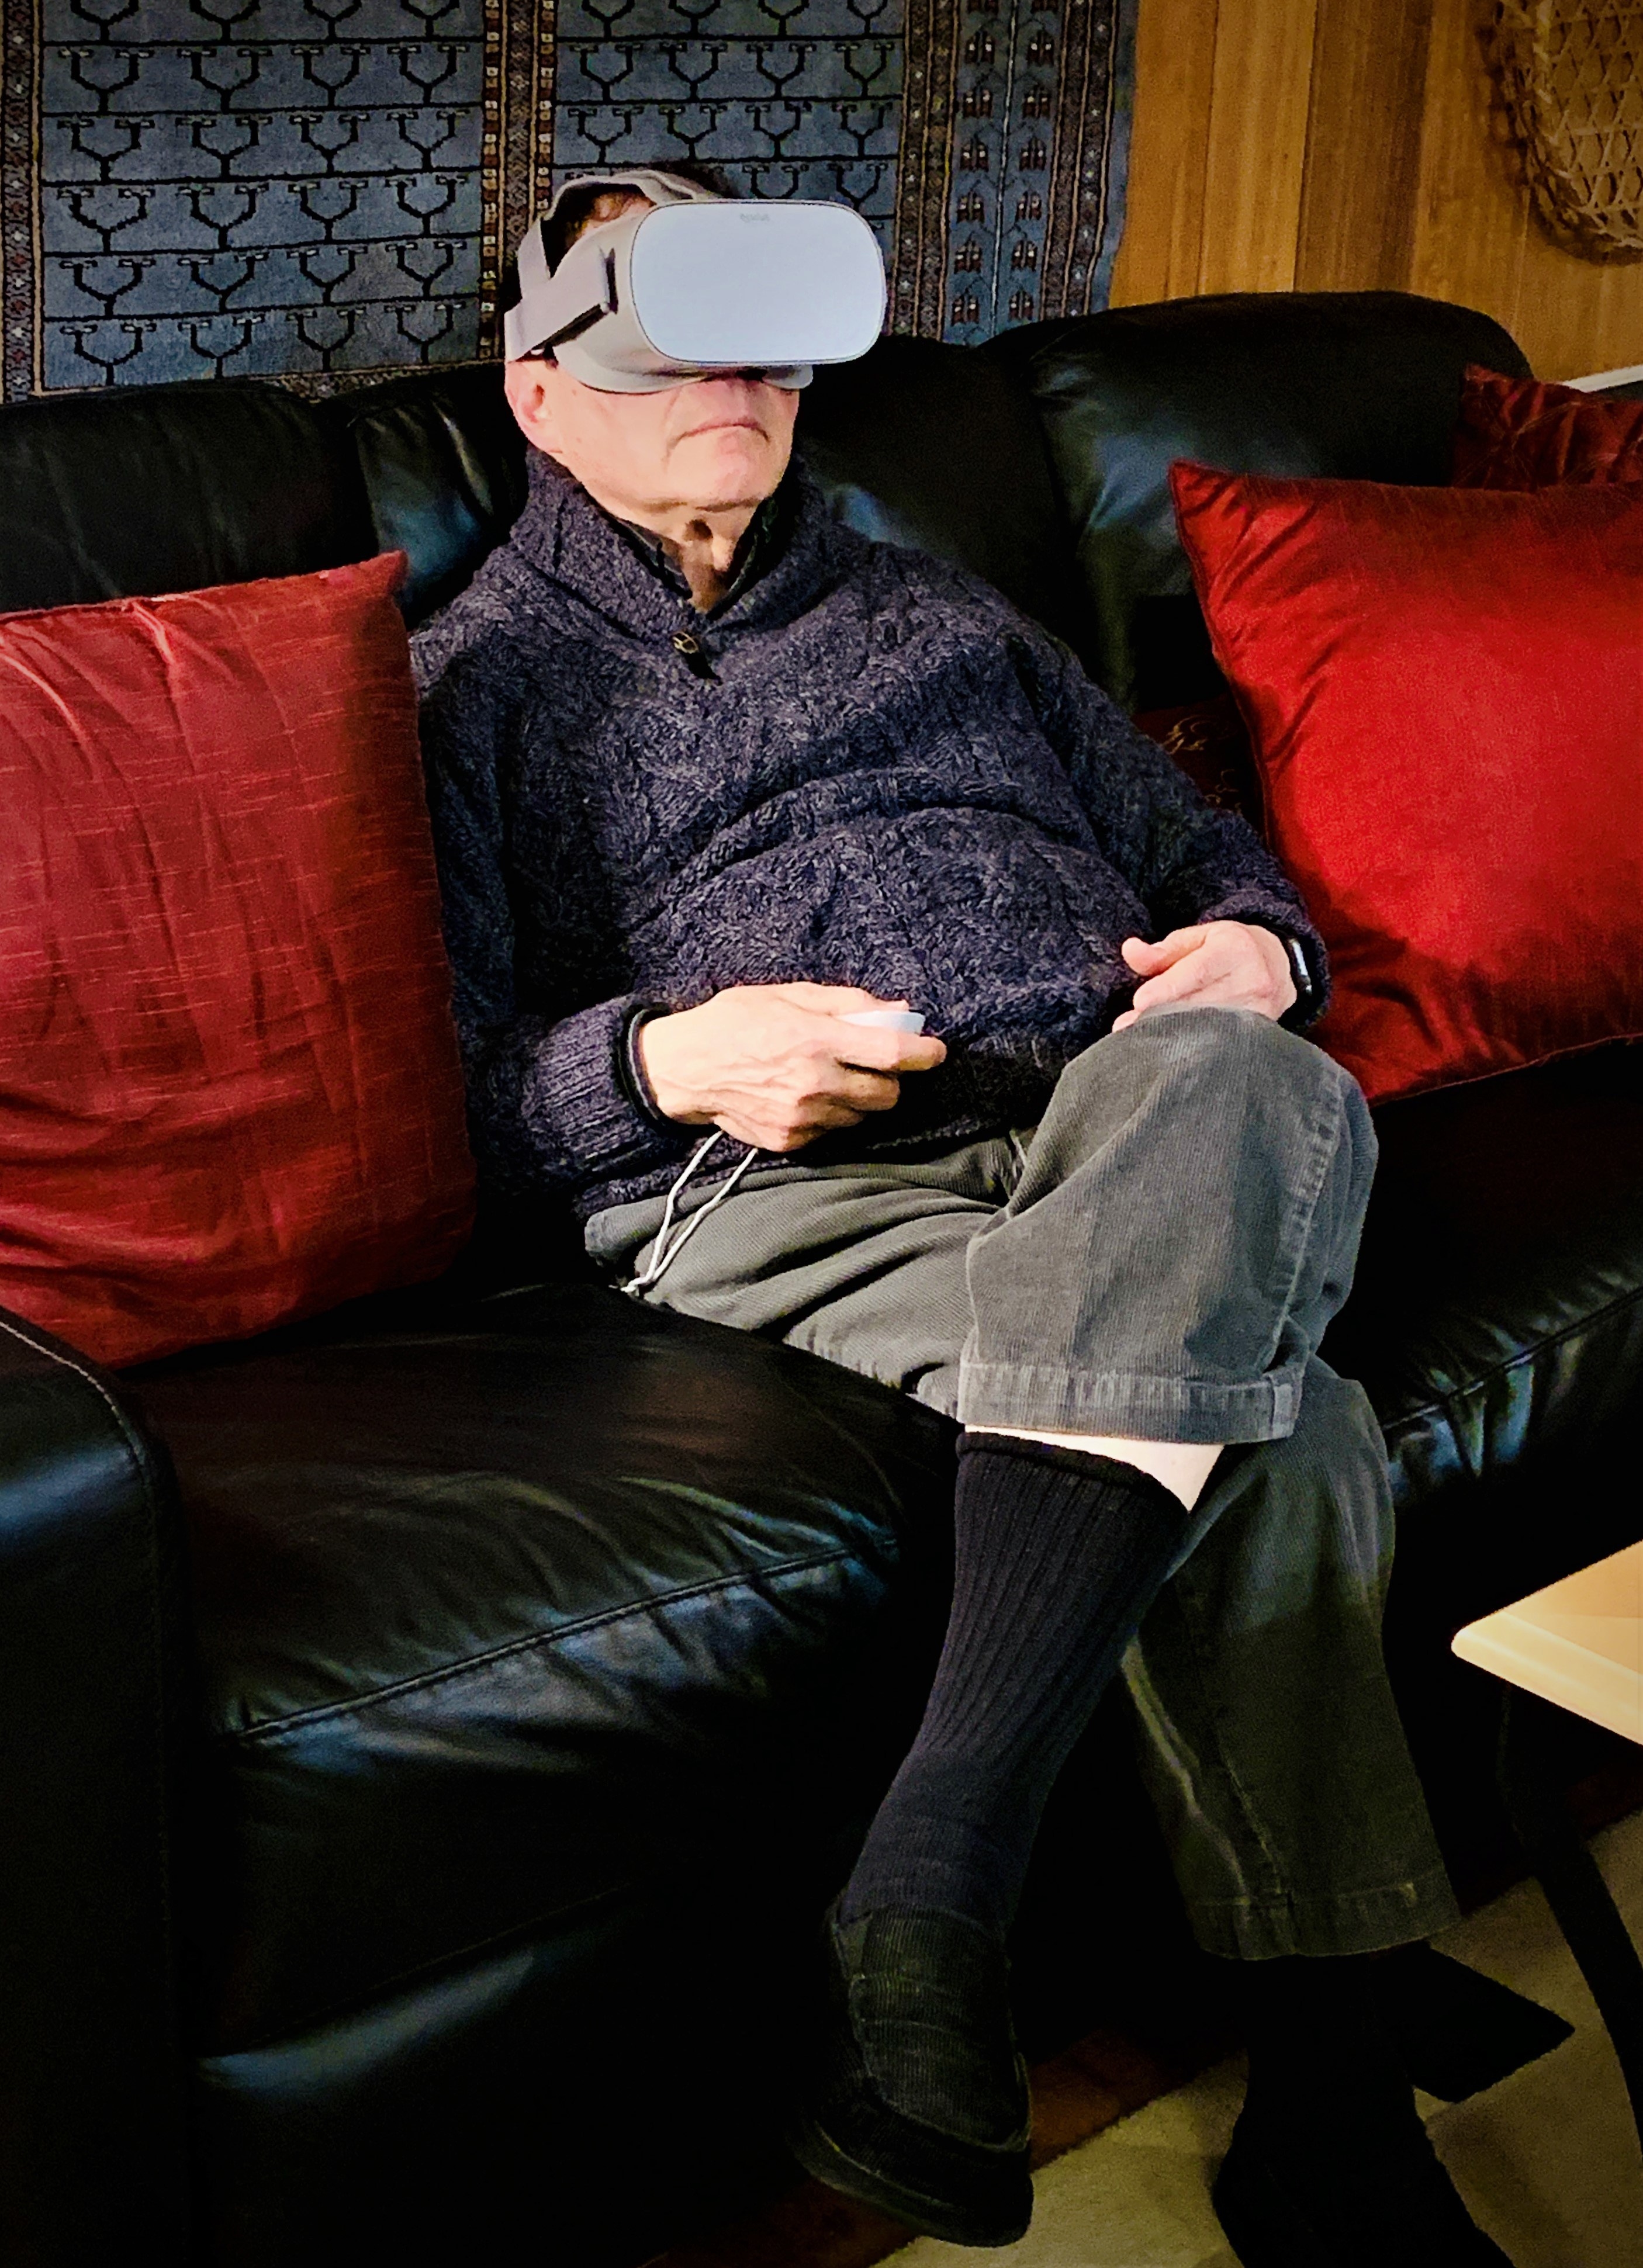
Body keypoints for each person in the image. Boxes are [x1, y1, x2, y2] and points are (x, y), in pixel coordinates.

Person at [414, 168, 1512, 2267]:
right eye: (657, 326)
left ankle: (936, 1868)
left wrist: (1260, 949)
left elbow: (1201, 846)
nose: (725, 368)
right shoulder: (472, 686)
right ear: (540, 396)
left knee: (1242, 1074)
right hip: (776, 1184)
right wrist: (662, 1057)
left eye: (756, 322)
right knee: (1286, 1431)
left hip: (1124, 1109)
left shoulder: (941, 610)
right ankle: (1333, 2104)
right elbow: (452, 1090)